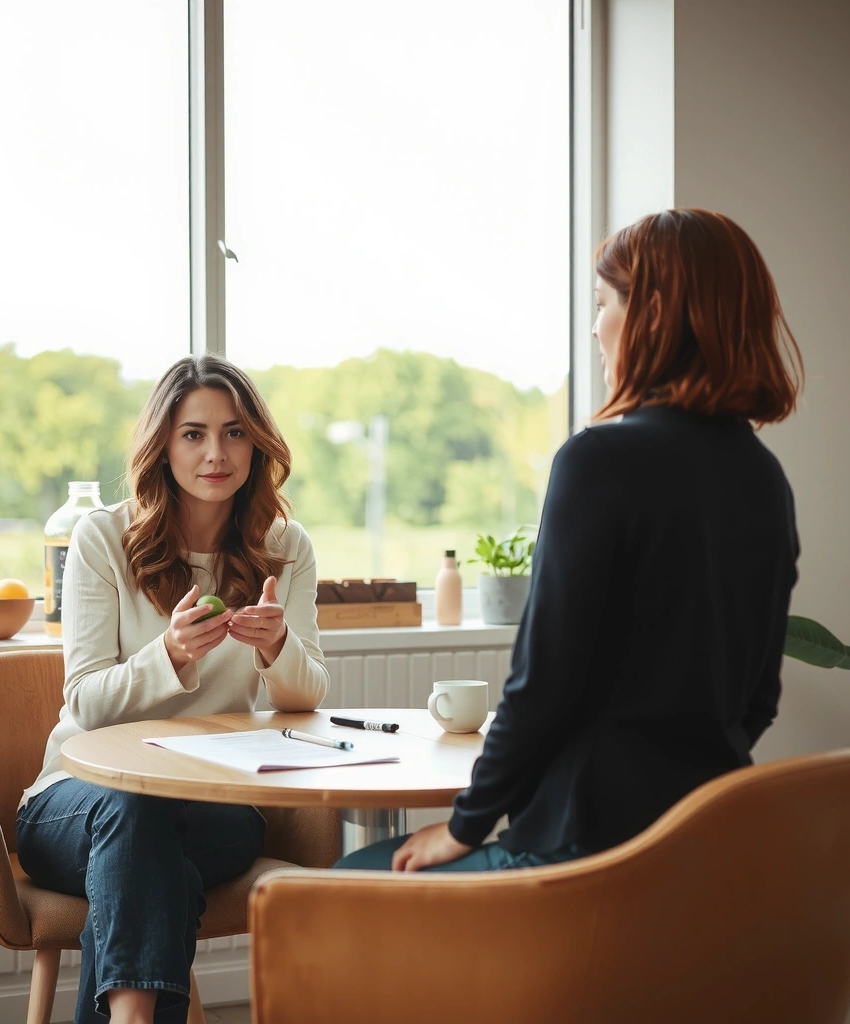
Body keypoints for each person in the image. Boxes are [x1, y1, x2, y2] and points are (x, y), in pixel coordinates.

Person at [336, 208, 802, 873]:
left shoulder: (599, 460)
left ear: (655, 314)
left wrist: (465, 827)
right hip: (703, 854)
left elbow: (542, 684)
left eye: (605, 302)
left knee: (328, 893)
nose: (595, 326)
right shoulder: (764, 477)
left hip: (582, 854)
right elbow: (760, 700)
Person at [16, 354, 329, 1024]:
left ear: (257, 444)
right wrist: (169, 655)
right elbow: (87, 703)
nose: (216, 452)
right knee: (140, 820)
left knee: (152, 857)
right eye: (193, 433)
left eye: (235, 432)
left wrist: (276, 644)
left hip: (215, 807)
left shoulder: (286, 547)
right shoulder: (103, 538)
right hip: (72, 804)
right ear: (162, 443)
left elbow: (308, 700)